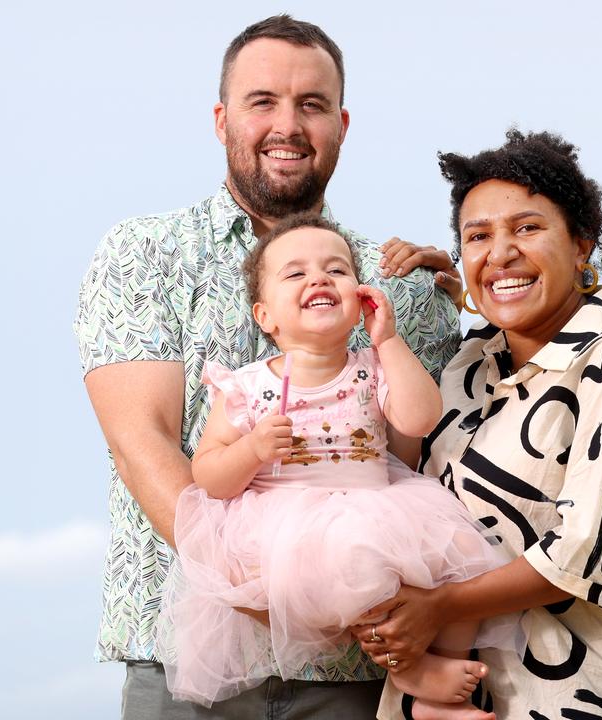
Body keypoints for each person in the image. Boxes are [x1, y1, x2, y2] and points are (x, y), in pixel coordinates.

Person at [74, 15, 459, 720]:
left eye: (311, 105)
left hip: (354, 667)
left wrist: (466, 299)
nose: (288, 124)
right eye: (262, 102)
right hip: (191, 662)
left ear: (342, 124)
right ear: (221, 119)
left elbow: (431, 450)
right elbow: (144, 446)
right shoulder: (145, 253)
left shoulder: (396, 286)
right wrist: (258, 594)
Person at [354, 130, 602, 719]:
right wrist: (433, 297)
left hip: (587, 701)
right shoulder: (465, 366)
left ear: (581, 246)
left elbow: (585, 556)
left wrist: (437, 608)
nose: (500, 252)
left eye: (526, 228)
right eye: (478, 237)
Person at [158, 214, 516, 719]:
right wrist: (253, 450)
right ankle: (408, 670)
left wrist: (389, 341)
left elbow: (421, 416)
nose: (319, 279)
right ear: (266, 316)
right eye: (295, 273)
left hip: (378, 502)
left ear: (360, 300)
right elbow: (208, 476)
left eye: (337, 270)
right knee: (353, 558)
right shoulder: (246, 385)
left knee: (463, 553)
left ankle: (438, 676)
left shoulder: (373, 366)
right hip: (287, 525)